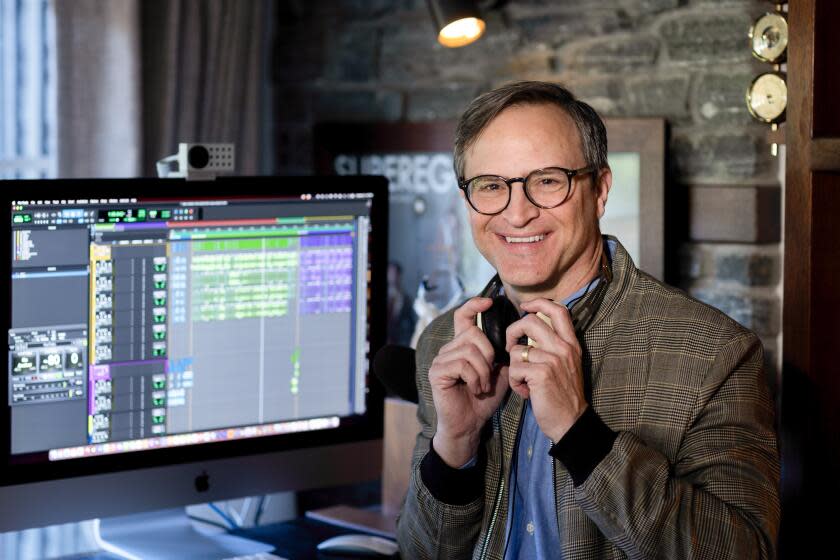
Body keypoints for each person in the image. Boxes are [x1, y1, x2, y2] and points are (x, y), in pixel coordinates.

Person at [396, 81, 780, 559]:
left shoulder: (715, 354)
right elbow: (419, 553)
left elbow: (744, 553)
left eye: (548, 181)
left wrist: (582, 436)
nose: (517, 214)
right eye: (491, 186)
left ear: (599, 189)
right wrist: (454, 447)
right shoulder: (444, 342)